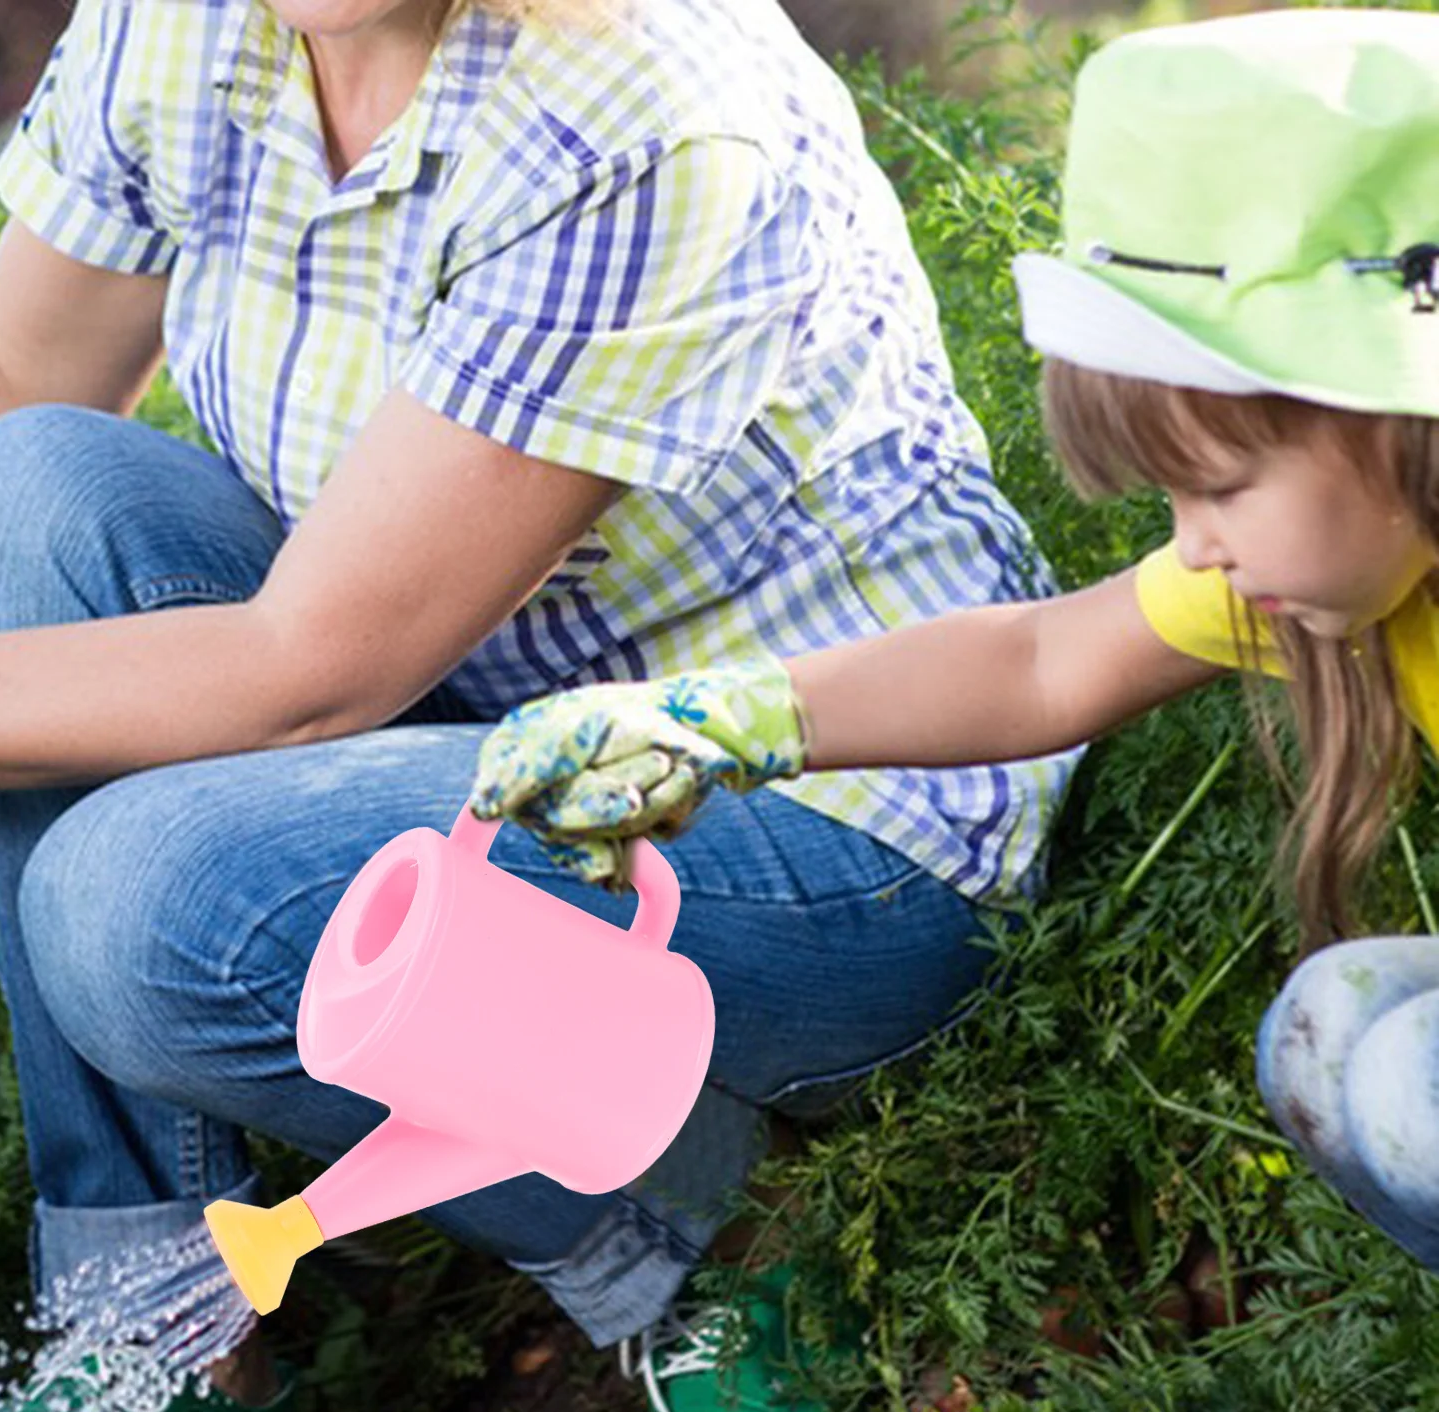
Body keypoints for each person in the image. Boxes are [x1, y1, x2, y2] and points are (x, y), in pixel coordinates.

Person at [0, 0, 1080, 1412]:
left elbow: (307, 674)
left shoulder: (638, 104)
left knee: (141, 904)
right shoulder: (198, 20)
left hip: (807, 797)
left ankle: (723, 1220)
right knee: (28, 492)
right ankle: (157, 1364)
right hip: (485, 711)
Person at [471, 9, 1439, 1309]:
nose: (1194, 545)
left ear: (1396, 410)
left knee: (1402, 1079)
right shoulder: (1316, 564)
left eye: (1220, 486)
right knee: (1336, 1035)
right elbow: (1039, 663)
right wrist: (722, 719)